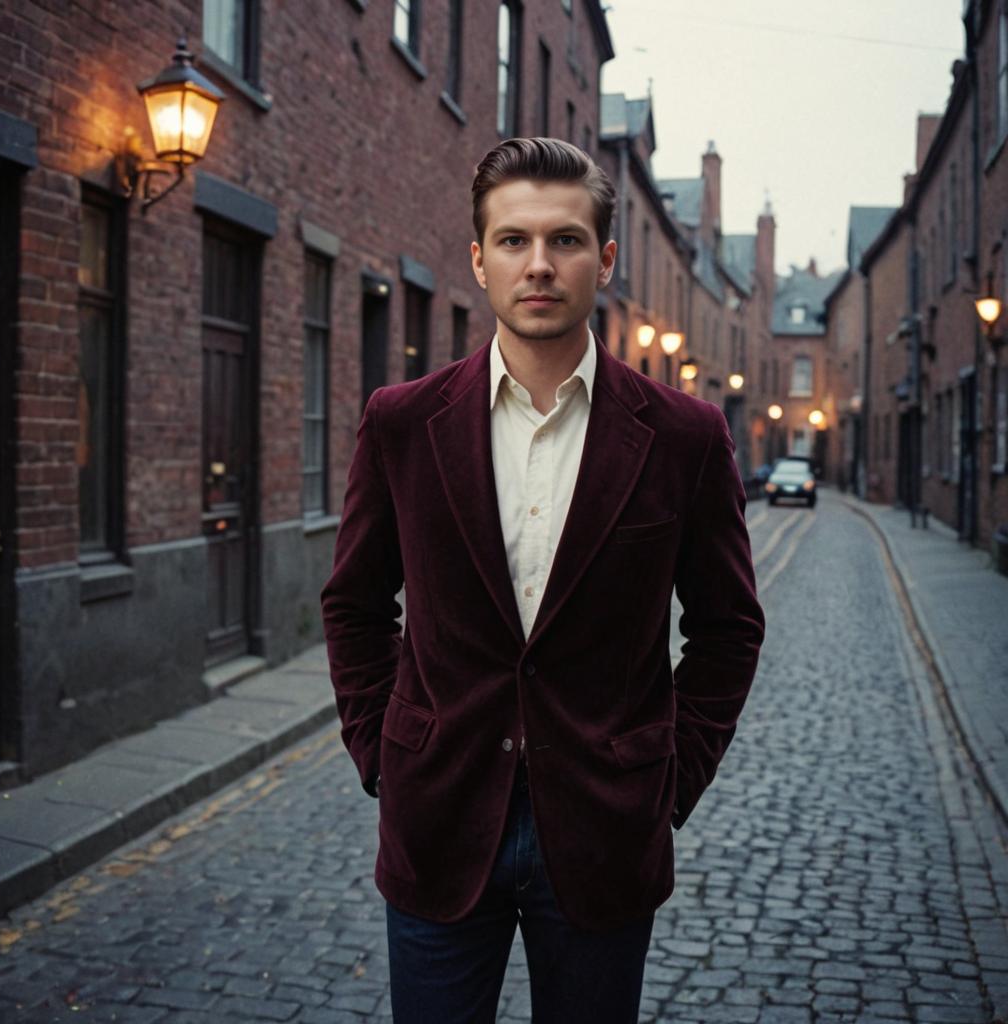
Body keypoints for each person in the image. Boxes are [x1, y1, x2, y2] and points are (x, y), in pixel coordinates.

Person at [320, 137, 765, 1024]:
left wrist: (668, 780)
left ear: (603, 261)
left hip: (604, 835)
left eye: (564, 241)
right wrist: (383, 756)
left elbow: (727, 630)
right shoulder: (402, 424)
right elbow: (356, 603)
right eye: (514, 241)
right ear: (480, 261)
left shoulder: (683, 437)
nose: (539, 265)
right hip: (438, 823)